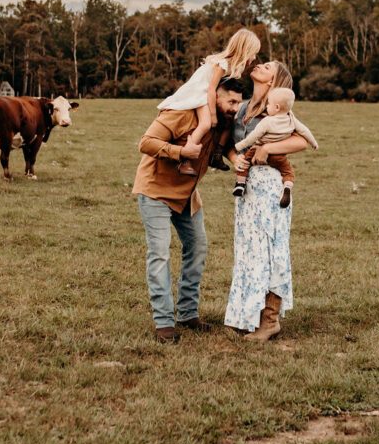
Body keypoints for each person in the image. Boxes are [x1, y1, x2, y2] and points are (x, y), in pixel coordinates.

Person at [134, 76, 245, 343]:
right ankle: (164, 323)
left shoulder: (222, 122)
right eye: (231, 101)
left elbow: (225, 146)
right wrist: (181, 152)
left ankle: (187, 313)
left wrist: (235, 159)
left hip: (188, 195)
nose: (234, 108)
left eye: (238, 103)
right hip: (156, 191)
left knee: (197, 248)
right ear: (214, 95)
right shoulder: (181, 114)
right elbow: (146, 143)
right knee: (160, 254)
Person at [224, 62, 312, 342]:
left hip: (271, 185)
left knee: (271, 248)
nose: (260, 64)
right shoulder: (244, 106)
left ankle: (270, 320)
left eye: (268, 66)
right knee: (250, 250)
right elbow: (228, 141)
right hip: (247, 187)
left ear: (276, 80)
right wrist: (233, 157)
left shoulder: (278, 108)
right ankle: (248, 315)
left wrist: (268, 147)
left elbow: (301, 140)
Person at [156, 28, 260, 174]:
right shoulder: (223, 64)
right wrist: (212, 114)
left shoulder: (230, 66)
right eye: (254, 52)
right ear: (245, 50)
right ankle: (185, 159)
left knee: (225, 122)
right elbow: (211, 89)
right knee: (205, 124)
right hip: (198, 92)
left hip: (204, 93)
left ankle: (216, 154)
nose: (254, 57)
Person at [232, 86, 318, 206]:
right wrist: (314, 143)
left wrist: (240, 146)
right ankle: (287, 186)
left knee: (245, 163)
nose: (267, 107)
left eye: (269, 105)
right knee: (288, 171)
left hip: (256, 152)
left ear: (277, 107)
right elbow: (305, 130)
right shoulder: (290, 118)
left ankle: (240, 184)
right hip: (279, 157)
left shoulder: (267, 121)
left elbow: (253, 137)